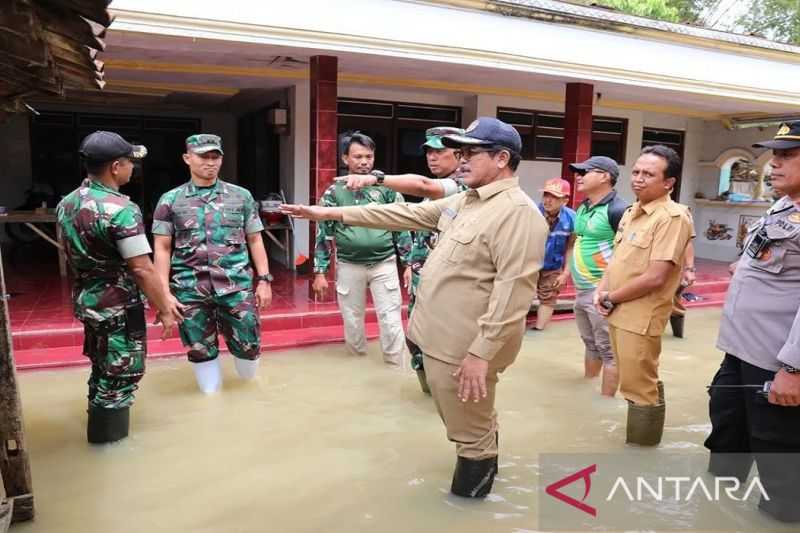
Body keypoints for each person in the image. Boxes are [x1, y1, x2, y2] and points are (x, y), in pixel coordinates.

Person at [282, 117, 547, 499]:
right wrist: (330, 214)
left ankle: (469, 503)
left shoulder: (516, 213)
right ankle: (482, 443)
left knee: (470, 435)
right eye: (461, 151)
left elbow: (513, 297)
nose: (462, 159)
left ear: (502, 158)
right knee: (467, 416)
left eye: (471, 152)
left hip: (467, 347)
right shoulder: (467, 200)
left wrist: (480, 355)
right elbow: (404, 215)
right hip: (439, 337)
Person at [57, 131, 182, 443]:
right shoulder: (121, 209)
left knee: (101, 371)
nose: (132, 169)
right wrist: (165, 308)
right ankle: (108, 447)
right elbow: (141, 267)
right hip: (118, 307)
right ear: (115, 166)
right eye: (129, 162)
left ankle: (97, 437)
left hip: (89, 302)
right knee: (121, 377)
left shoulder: (67, 203)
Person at [705, 122, 800, 523]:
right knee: (726, 428)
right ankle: (714, 512)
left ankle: (781, 514)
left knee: (777, 449)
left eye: (786, 156)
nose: (773, 164)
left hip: (776, 359)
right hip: (739, 348)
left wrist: (794, 369)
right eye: (773, 155)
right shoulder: (783, 205)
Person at [338, 126, 467, 390]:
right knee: (418, 344)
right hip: (423, 282)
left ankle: (445, 400)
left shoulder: (461, 186)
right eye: (429, 151)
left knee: (438, 345)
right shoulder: (336, 192)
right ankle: (426, 395)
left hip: (447, 286)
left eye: (439, 151)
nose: (432, 157)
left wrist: (376, 179)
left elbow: (423, 186)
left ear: (460, 154)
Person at [152, 134, 272, 394]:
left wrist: (264, 280)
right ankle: (211, 401)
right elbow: (162, 248)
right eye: (202, 156)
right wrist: (163, 295)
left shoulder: (241, 197)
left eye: (214, 156)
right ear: (187, 158)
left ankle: (251, 397)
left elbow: (255, 239)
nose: (210, 162)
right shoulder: (170, 200)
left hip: (236, 287)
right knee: (200, 350)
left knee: (249, 348)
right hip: (189, 290)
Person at [594, 145, 692, 445]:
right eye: (636, 171)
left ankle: (642, 449)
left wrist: (612, 297)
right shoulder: (631, 212)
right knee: (634, 379)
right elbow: (619, 260)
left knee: (640, 386)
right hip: (617, 309)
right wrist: (602, 291)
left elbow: (655, 276)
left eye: (648, 174)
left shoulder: (672, 217)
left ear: (669, 182)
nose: (638, 178)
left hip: (640, 315)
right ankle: (639, 438)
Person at [312, 132, 412, 366]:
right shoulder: (334, 192)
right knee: (352, 320)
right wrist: (319, 271)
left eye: (369, 156)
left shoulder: (387, 189)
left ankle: (395, 365)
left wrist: (408, 264)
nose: (364, 162)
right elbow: (323, 232)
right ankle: (356, 365)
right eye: (358, 156)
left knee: (391, 318)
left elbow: (402, 227)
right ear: (345, 159)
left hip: (384, 264)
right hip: (349, 264)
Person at [567, 156, 627, 396]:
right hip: (581, 291)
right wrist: (564, 273)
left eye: (585, 171)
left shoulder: (618, 210)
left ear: (605, 176)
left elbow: (626, 254)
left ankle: (606, 401)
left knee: (609, 350)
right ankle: (587, 389)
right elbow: (577, 242)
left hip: (602, 292)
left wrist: (609, 292)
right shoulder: (583, 206)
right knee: (590, 344)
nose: (578, 176)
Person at [532, 178, 576, 331]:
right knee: (519, 297)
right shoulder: (531, 213)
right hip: (528, 264)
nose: (548, 200)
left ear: (565, 200)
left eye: (554, 197)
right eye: (546, 195)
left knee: (549, 297)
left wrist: (565, 273)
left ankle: (538, 330)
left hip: (552, 266)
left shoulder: (572, 219)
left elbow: (571, 247)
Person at [670, 220, 696, 338]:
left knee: (673, 300)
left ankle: (677, 332)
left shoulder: (681, 214)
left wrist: (689, 269)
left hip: (671, 266)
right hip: (645, 266)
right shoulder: (633, 211)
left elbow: (687, 243)